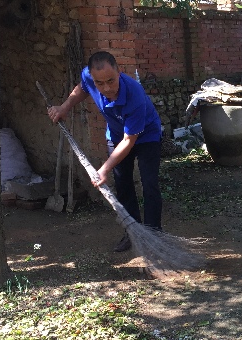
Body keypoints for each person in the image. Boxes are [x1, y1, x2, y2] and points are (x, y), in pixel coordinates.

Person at [48, 51, 163, 252]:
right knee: (123, 184)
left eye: (111, 81)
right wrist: (65, 107)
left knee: (149, 183)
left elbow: (129, 141)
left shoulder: (134, 93)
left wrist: (103, 170)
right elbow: (82, 89)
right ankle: (132, 232)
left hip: (146, 136)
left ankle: (153, 235)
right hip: (117, 135)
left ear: (120, 72)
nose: (107, 88)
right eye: (100, 83)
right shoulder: (88, 76)